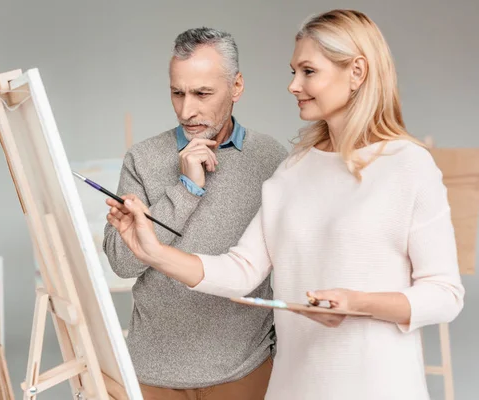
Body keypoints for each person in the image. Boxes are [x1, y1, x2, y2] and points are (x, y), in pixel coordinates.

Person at [106, 9, 465, 400]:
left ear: (357, 72)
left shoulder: (408, 165)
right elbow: (241, 270)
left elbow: (445, 294)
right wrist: (153, 251)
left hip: (378, 387)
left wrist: (358, 303)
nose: (294, 85)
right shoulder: (293, 169)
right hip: (293, 388)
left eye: (308, 71)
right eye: (293, 71)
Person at [102, 27, 289, 399]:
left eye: (203, 94)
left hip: (244, 370)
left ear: (236, 87)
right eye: (177, 93)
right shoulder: (143, 159)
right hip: (153, 374)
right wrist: (187, 189)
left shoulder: (271, 159)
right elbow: (123, 264)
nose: (188, 110)